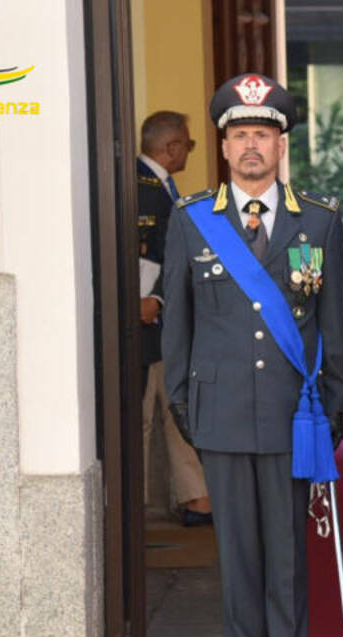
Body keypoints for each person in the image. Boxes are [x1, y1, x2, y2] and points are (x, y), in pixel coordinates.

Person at [162, 73, 343, 637]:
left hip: (290, 415)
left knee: (286, 556)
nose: (251, 146)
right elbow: (176, 328)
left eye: (263, 135)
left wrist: (333, 413)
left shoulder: (318, 222)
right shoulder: (191, 223)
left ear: (281, 146)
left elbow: (334, 326)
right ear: (222, 146)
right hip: (218, 415)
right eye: (240, 134)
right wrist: (184, 406)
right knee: (237, 555)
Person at [136, 110, 212, 526]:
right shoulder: (140, 186)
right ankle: (136, 508)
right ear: (172, 147)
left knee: (178, 406)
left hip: (168, 320)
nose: (188, 151)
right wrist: (151, 299)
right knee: (144, 415)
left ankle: (196, 497)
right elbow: (145, 254)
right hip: (146, 321)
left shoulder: (160, 185)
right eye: (188, 143)